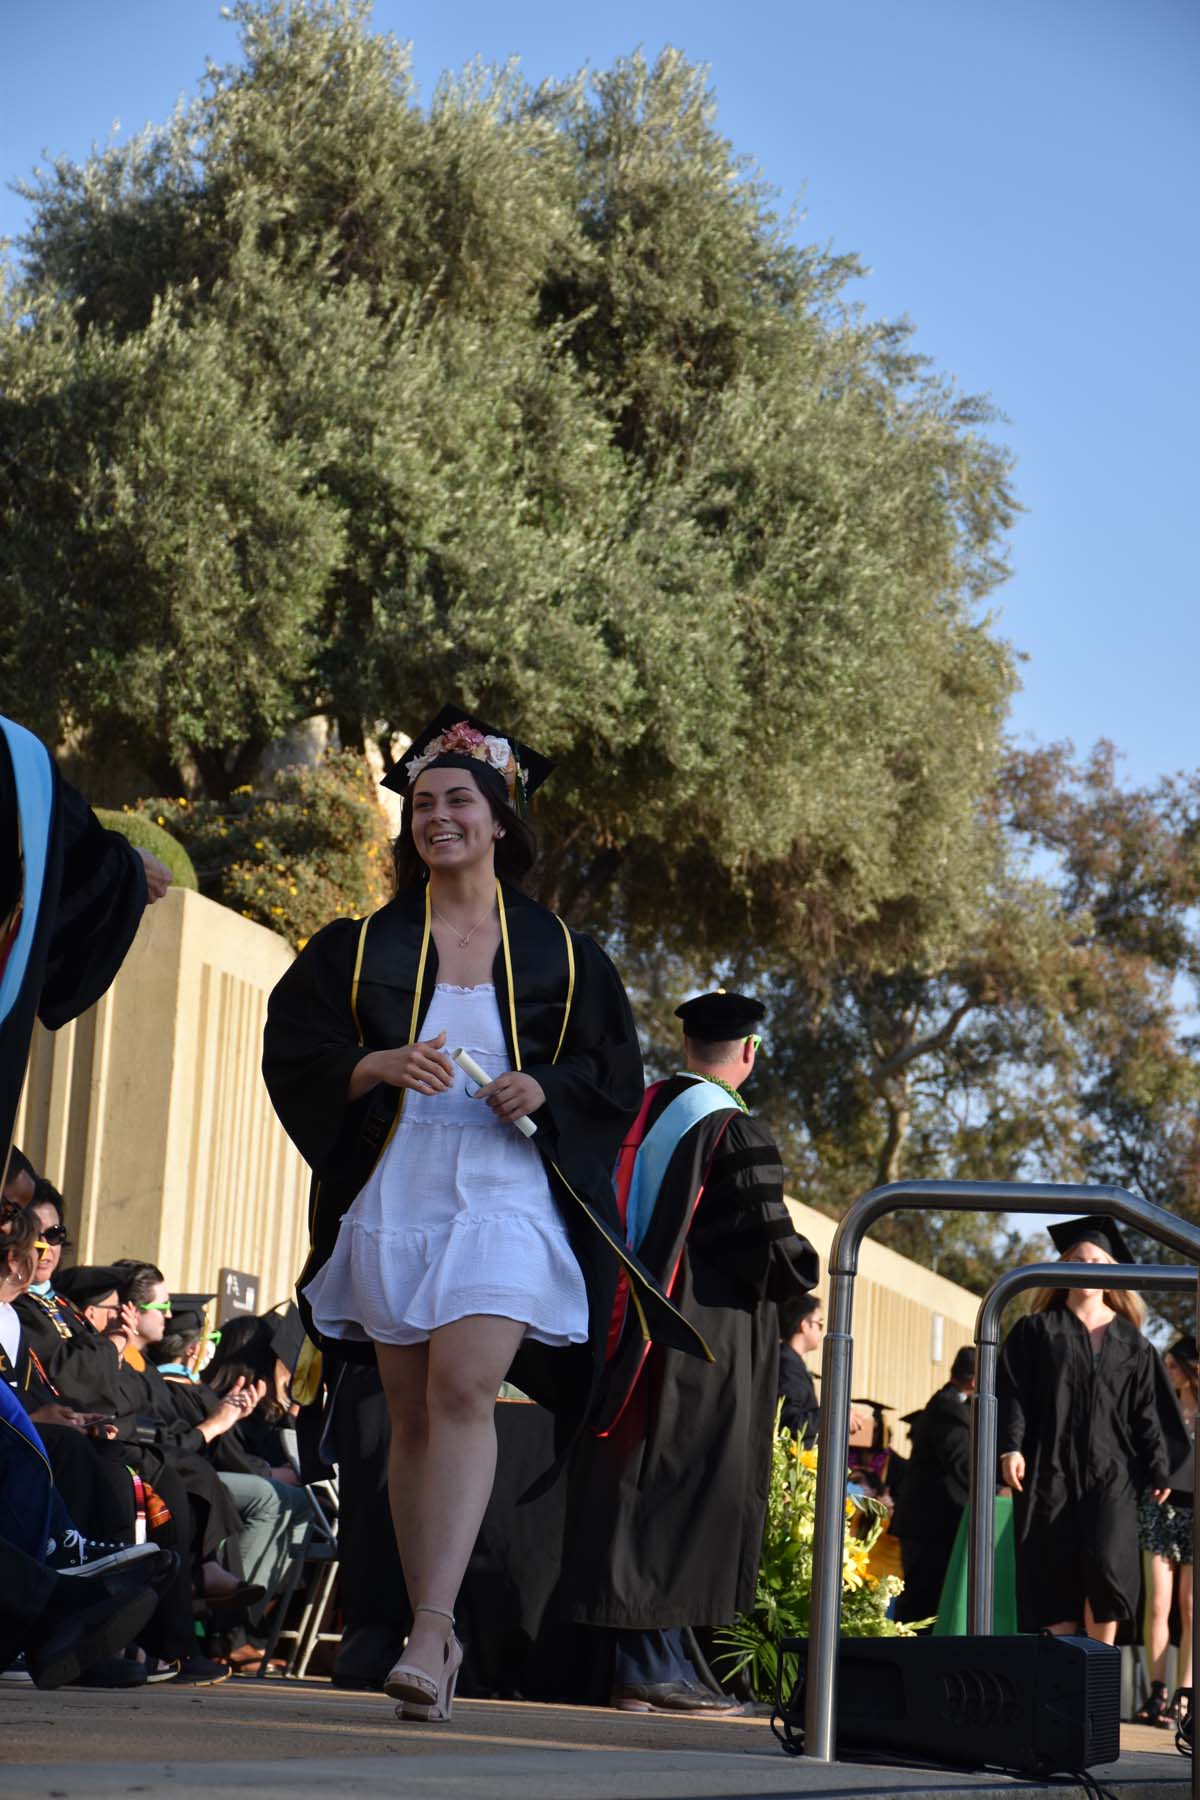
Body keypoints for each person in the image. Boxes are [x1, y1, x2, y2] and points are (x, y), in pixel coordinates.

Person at [262, 705, 705, 1722]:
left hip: (509, 1187)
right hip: (400, 1184)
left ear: (502, 818)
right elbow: (296, 1049)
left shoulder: (565, 955)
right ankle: (439, 1627)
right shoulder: (362, 944)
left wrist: (545, 1088)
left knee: (464, 1387)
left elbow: (612, 1072)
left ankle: (428, 1628)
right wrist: (377, 1062)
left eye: (459, 799)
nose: (437, 817)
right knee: (412, 1411)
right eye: (423, 803)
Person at [558, 990, 819, 1713]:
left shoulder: (636, 1117)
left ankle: (658, 1658)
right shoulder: (732, 1128)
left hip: (628, 1334)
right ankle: (650, 1664)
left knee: (639, 1490)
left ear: (685, 1048)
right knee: (679, 1490)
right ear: (749, 1052)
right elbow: (772, 1250)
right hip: (706, 1343)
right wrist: (805, 1268)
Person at [997, 1216, 1187, 1642]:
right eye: (1077, 1260)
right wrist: (1011, 1446)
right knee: (1053, 1573)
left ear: (1112, 1273)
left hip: (1113, 1474)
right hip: (1050, 1471)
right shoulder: (1036, 1332)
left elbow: (1149, 1411)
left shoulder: (1133, 1343)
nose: (1087, 1268)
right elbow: (1012, 1394)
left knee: (1107, 1568)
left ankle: (1095, 1686)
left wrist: (1160, 1466)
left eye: (1098, 1261)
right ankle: (1058, 1691)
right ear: (1062, 1267)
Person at [892, 1346, 976, 1626]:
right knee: (922, 1604)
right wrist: (995, 1485)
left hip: (929, 1525)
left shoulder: (949, 1403)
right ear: (976, 1380)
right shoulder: (949, 1409)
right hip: (929, 1527)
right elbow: (962, 1461)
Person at [1136, 1333, 1196, 1727]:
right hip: (1161, 1509)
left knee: (1191, 1606)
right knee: (1159, 1603)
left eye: (1173, 1364)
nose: (1168, 1371)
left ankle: (1185, 1696)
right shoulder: (1163, 1408)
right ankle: (1156, 1692)